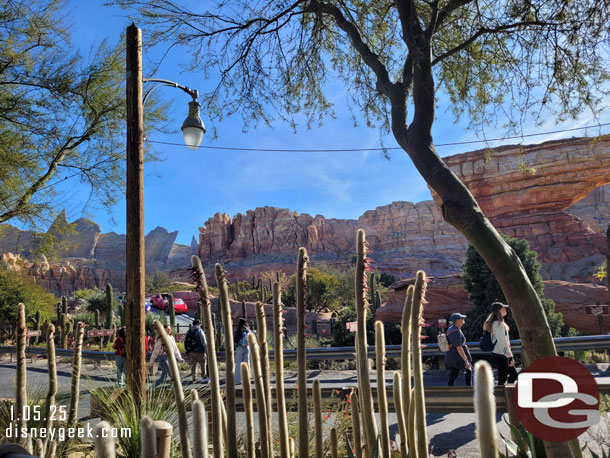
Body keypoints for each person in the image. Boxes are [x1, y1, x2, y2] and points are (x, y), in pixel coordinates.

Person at [484, 302, 518, 385]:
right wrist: (510, 357)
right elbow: (503, 342)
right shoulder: (498, 324)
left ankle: (506, 393)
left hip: (500, 353)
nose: (506, 310)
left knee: (509, 376)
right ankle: (502, 395)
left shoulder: (497, 323)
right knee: (505, 378)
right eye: (504, 308)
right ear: (499, 310)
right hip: (501, 354)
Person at [445, 313, 472, 386]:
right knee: (468, 370)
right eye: (461, 318)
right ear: (457, 320)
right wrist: (465, 360)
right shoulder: (455, 331)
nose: (463, 319)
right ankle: (469, 389)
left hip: (454, 356)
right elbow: (459, 347)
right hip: (457, 357)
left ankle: (450, 389)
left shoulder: (454, 329)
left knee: (454, 373)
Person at [234, 318, 251, 384]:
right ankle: (246, 379)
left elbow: (235, 341)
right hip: (247, 347)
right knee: (247, 363)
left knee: (238, 363)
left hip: (239, 348)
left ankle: (238, 380)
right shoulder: (247, 330)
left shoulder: (238, 331)